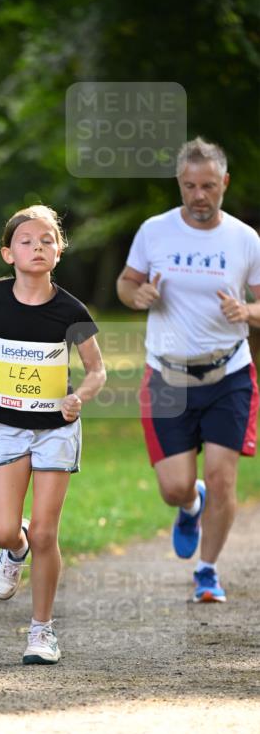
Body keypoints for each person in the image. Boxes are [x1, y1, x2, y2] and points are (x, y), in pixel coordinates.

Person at [0, 204, 106, 665]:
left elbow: (97, 370)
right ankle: (12, 550)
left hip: (55, 432)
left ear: (58, 252)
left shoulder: (71, 310)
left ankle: (42, 632)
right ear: (8, 253)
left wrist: (78, 396)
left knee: (46, 533)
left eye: (46, 241)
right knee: (4, 531)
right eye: (26, 241)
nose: (37, 247)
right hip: (7, 426)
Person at [116, 137, 260, 602]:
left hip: (229, 375)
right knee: (175, 488)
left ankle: (207, 570)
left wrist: (248, 312)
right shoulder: (154, 231)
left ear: (225, 184)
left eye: (209, 186)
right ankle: (189, 504)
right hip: (167, 377)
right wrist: (135, 296)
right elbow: (126, 282)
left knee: (224, 478)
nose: (199, 196)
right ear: (179, 184)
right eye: (190, 186)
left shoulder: (244, 239)